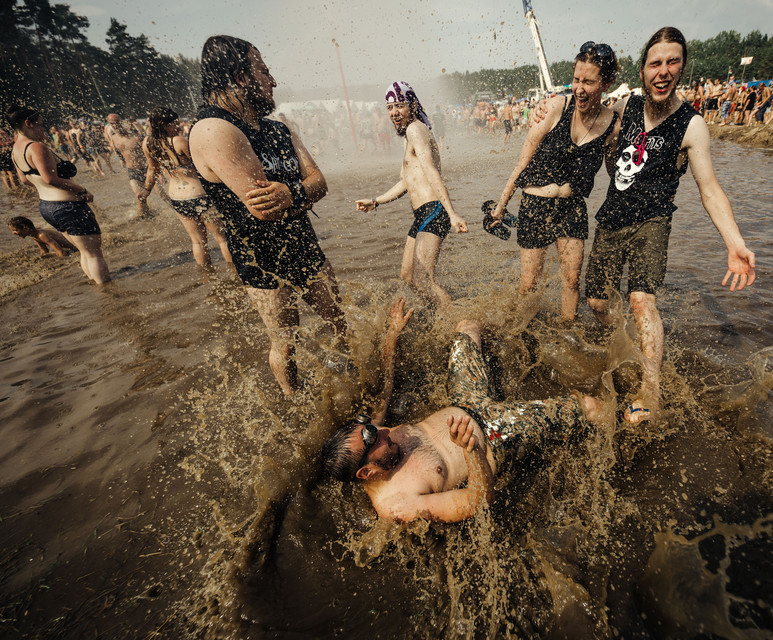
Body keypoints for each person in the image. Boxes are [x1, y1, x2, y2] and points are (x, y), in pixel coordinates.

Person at [580, 27, 756, 422]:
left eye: (672, 62)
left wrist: (734, 243)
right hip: (612, 216)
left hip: (653, 219)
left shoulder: (692, 126)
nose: (663, 71)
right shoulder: (626, 107)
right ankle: (623, 344)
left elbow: (709, 189)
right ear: (643, 70)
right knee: (596, 302)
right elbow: (584, 116)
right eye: (655, 63)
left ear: (682, 68)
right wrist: (550, 110)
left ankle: (651, 388)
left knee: (641, 299)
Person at [319, 298, 602, 523]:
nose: (382, 430)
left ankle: (520, 331)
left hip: (467, 397)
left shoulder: (376, 435)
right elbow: (477, 502)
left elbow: (385, 391)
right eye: (373, 439)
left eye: (370, 426)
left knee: (466, 327)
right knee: (589, 407)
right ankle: (635, 415)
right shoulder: (399, 504)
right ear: (366, 472)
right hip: (494, 436)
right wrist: (471, 451)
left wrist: (392, 336)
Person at [189, 35, 347, 395]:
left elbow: (320, 182)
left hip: (304, 243)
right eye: (265, 72)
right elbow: (265, 210)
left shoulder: (279, 128)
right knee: (286, 343)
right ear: (241, 77)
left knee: (338, 320)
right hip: (261, 259)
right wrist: (299, 193)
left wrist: (292, 192)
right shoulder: (215, 129)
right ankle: (296, 406)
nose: (273, 82)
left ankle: (347, 385)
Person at [491, 42, 620, 320]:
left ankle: (567, 332)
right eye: (576, 80)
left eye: (589, 81)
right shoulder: (553, 108)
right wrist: (502, 203)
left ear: (606, 83)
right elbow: (523, 160)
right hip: (535, 206)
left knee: (572, 281)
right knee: (528, 286)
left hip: (572, 209)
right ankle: (517, 333)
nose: (579, 88)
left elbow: (615, 173)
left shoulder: (612, 124)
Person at [355, 81, 468, 308]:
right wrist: (376, 201)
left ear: (413, 106)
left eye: (400, 106)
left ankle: (457, 320)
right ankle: (442, 314)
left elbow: (432, 172)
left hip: (434, 210)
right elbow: (407, 182)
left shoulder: (415, 129)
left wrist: (452, 213)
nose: (394, 113)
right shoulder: (409, 134)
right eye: (390, 108)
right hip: (422, 214)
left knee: (423, 279)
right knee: (408, 276)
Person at [6, 106, 110, 284]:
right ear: (27, 123)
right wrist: (81, 190)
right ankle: (109, 294)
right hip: (67, 206)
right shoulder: (36, 147)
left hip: (47, 206)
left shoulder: (16, 149)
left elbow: (24, 179)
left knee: (84, 251)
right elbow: (50, 178)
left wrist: (48, 190)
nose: (43, 128)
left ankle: (98, 288)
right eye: (40, 124)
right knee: (93, 253)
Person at [140, 107, 233, 267]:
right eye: (174, 123)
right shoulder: (178, 141)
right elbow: (204, 163)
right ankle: (236, 276)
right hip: (200, 196)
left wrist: (146, 190)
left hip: (178, 199)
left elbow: (152, 169)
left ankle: (207, 277)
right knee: (222, 238)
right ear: (163, 124)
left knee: (197, 242)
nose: (177, 126)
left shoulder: (148, 143)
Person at [105, 113, 151, 217]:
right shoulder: (113, 138)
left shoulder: (134, 134)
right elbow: (118, 151)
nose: (115, 125)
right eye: (112, 123)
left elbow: (147, 146)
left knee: (162, 195)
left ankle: (176, 211)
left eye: (117, 122)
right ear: (109, 124)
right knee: (140, 197)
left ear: (121, 121)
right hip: (132, 171)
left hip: (146, 168)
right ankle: (147, 218)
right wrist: (121, 161)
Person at [8, 215, 75, 256]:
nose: (13, 233)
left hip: (75, 246)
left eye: (15, 230)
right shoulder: (34, 235)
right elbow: (44, 250)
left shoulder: (42, 235)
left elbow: (61, 251)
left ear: (26, 228)